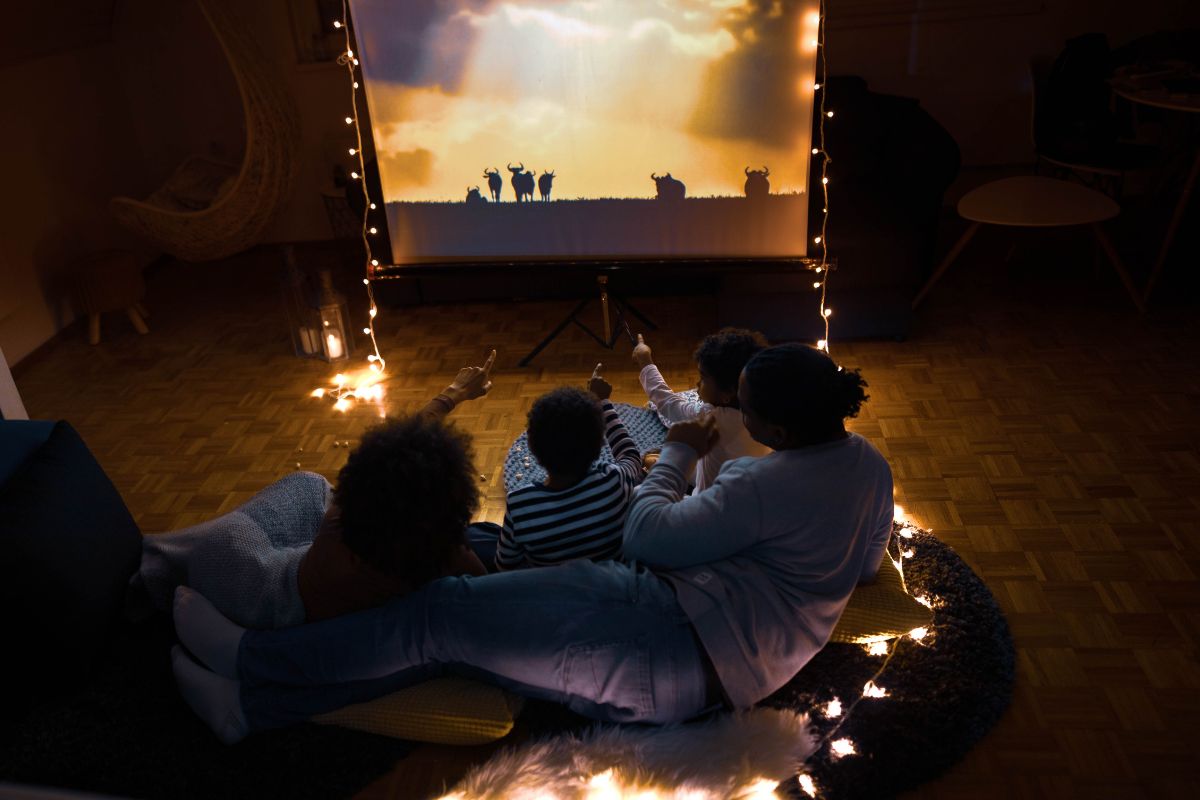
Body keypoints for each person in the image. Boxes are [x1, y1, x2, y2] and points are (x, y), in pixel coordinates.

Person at [170, 344, 895, 745]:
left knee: (440, 612)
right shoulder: (868, 465)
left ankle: (251, 666)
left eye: (740, 402)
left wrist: (673, 454)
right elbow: (865, 568)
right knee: (451, 634)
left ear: (782, 428)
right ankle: (256, 701)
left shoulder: (761, 485)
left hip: (660, 632)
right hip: (709, 664)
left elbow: (645, 535)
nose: (725, 408)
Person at [132, 351, 497, 629]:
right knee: (304, 489)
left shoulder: (347, 516)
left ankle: (154, 565)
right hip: (244, 576)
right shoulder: (436, 554)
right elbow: (490, 593)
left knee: (308, 484)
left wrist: (453, 394)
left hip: (254, 560)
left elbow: (390, 457)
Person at [495, 364, 643, 570]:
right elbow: (631, 456)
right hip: (614, 585)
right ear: (601, 444)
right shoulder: (613, 481)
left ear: (530, 444)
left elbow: (505, 566)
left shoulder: (520, 505)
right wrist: (603, 402)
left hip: (553, 594)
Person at [632, 328, 771, 492]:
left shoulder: (711, 417)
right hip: (745, 485)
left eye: (703, 378)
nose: (698, 384)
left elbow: (668, 403)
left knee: (637, 492)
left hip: (710, 501)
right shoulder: (765, 411)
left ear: (727, 393)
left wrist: (645, 361)